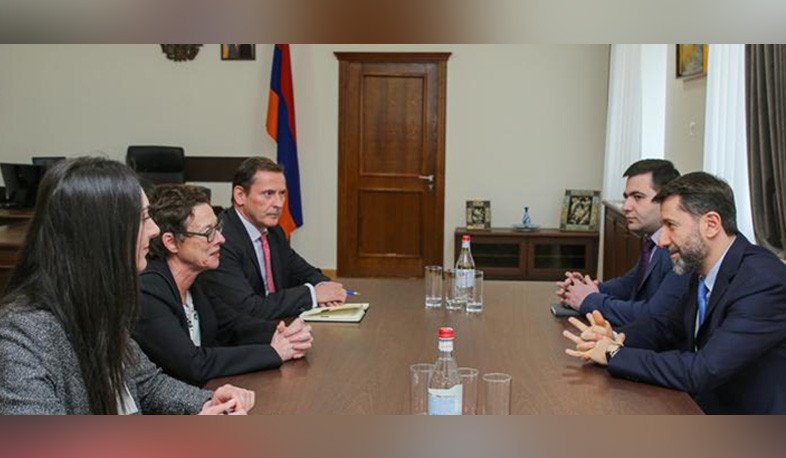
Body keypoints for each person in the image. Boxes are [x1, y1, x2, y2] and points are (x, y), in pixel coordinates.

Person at [0, 157, 254, 415]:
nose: (154, 230)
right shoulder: (22, 333)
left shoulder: (101, 302)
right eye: (143, 218)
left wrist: (208, 402)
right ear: (102, 233)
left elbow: (147, 385)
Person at [563, 172, 786, 414]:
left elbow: (703, 370)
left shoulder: (763, 280)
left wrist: (613, 353)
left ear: (711, 224)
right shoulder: (698, 266)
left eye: (671, 226)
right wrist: (613, 337)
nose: (662, 240)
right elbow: (665, 328)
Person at [136, 185, 313, 387]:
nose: (221, 239)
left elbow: (231, 326)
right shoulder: (148, 291)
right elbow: (193, 364)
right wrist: (273, 352)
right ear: (171, 242)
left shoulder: (199, 280)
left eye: (217, 228)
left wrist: (281, 333)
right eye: (208, 233)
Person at [200, 157, 347, 320]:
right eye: (268, 194)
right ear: (240, 195)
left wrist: (324, 286)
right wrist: (312, 295)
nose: (279, 204)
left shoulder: (273, 231)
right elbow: (249, 308)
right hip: (241, 332)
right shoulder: (221, 240)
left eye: (282, 194)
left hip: (277, 323)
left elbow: (302, 271)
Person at [557, 159, 691, 326]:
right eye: (626, 197)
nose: (626, 207)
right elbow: (629, 284)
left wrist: (589, 299)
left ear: (667, 200)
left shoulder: (680, 249)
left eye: (637, 197)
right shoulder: (652, 241)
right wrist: (585, 288)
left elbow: (654, 315)